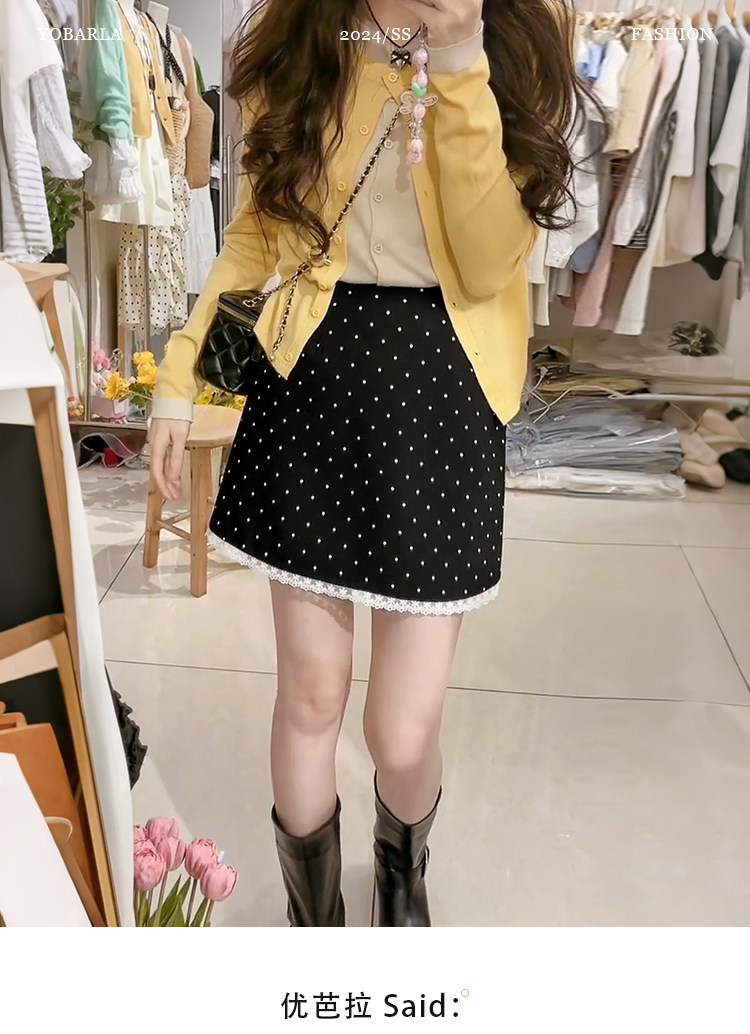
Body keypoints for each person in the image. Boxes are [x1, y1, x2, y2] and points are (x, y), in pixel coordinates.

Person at [149, 0, 584, 927]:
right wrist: (179, 381)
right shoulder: (310, 31)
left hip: (444, 399)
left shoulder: (513, 36)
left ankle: (400, 878)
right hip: (313, 385)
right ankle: (315, 920)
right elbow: (258, 233)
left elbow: (487, 261)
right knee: (310, 696)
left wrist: (458, 56)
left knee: (400, 728)